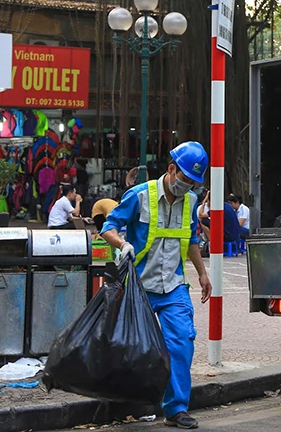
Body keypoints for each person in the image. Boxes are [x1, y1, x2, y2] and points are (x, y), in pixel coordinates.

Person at [100, 142, 211, 430]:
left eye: (193, 183)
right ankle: (124, 400)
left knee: (182, 342)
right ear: (171, 169)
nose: (187, 186)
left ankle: (175, 409)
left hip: (173, 286)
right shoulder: (139, 196)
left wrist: (202, 274)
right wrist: (123, 243)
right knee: (131, 345)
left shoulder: (190, 202)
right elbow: (108, 226)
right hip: (140, 286)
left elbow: (192, 240)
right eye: (185, 179)